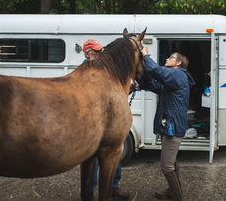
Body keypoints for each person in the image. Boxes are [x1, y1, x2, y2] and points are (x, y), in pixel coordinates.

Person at [140, 47, 195, 201]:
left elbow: (156, 70)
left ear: (178, 63)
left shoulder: (178, 74)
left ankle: (178, 197)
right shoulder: (173, 80)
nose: (166, 59)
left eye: (170, 58)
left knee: (167, 166)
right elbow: (154, 85)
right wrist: (143, 76)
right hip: (171, 125)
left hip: (173, 127)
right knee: (172, 161)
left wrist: (146, 55)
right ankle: (171, 191)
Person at [82, 39, 130, 200]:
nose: (100, 53)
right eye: (96, 50)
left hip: (109, 119)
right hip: (94, 121)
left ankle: (113, 187)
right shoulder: (84, 70)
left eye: (100, 49)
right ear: (87, 53)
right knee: (92, 160)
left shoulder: (105, 67)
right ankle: (93, 191)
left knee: (114, 154)